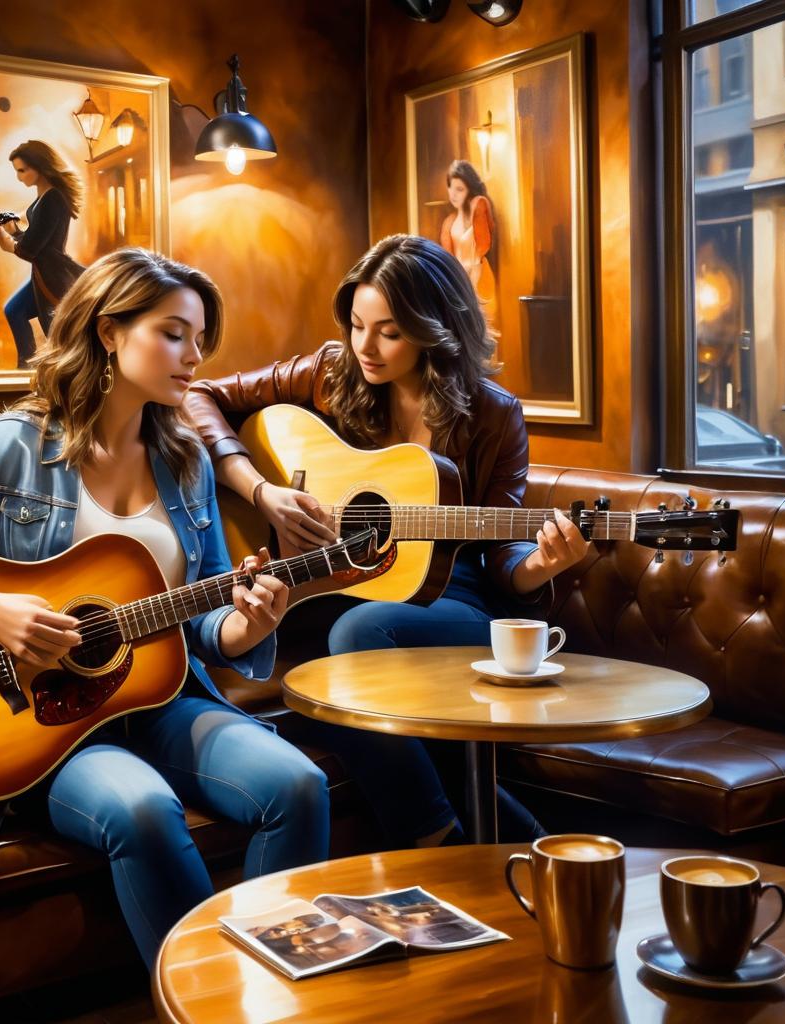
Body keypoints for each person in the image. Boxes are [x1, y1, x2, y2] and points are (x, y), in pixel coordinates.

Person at [0, 248, 329, 968]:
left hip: (161, 699)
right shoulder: (7, 450)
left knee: (299, 784)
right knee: (143, 808)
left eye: (201, 338)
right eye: (174, 333)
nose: (195, 355)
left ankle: (276, 989)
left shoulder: (187, 461)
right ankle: (206, 1003)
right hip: (38, 726)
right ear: (109, 332)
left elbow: (205, 620)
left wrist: (251, 620)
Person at [185, 234, 589, 846]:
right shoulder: (328, 372)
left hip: (457, 600)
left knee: (352, 641)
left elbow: (503, 553)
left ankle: (432, 837)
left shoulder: (492, 414)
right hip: (346, 589)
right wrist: (260, 491)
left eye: (389, 332)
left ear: (436, 328)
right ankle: (529, 848)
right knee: (317, 674)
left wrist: (539, 564)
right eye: (356, 325)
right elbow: (200, 394)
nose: (364, 347)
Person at [0, 140, 86, 367]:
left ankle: (29, 369)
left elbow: (29, 249)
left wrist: (6, 238)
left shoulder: (52, 199)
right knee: (14, 310)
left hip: (53, 276)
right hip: (44, 272)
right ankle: (25, 367)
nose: (19, 177)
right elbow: (34, 236)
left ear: (40, 167)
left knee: (59, 341)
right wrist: (13, 228)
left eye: (22, 170)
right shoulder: (43, 197)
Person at [440, 160, 496, 328]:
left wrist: (467, 277)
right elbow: (448, 258)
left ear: (469, 189)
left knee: (482, 331)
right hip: (459, 282)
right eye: (451, 187)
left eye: (460, 189)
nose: (453, 194)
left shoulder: (478, 204)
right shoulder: (449, 221)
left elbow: (483, 246)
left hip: (478, 278)